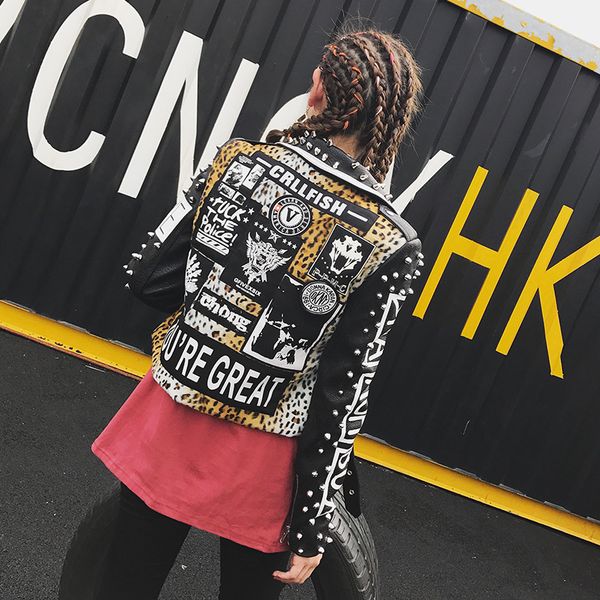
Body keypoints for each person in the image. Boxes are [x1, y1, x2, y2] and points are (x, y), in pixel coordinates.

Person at [89, 24, 424, 600]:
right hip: (268, 456)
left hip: (174, 415)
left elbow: (146, 277)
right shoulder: (393, 241)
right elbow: (343, 395)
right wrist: (313, 522)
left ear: (321, 97)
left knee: (122, 584)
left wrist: (213, 306)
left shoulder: (237, 160)